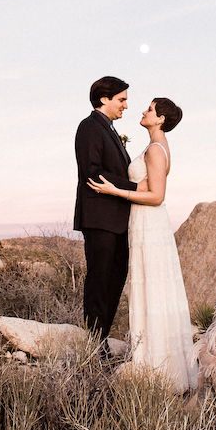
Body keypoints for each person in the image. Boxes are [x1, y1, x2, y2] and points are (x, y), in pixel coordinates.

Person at [87, 97, 197, 392]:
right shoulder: (156, 146)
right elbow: (148, 186)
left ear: (160, 119)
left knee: (152, 286)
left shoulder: (155, 149)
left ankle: (157, 366)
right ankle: (157, 359)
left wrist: (115, 190)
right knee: (151, 287)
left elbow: (157, 196)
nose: (144, 112)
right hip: (145, 221)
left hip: (149, 221)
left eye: (149, 109)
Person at [73, 76, 139, 352]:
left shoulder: (109, 130)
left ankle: (101, 338)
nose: (126, 105)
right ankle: (94, 343)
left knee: (116, 276)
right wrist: (135, 187)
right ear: (104, 99)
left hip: (118, 221)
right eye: (121, 99)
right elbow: (92, 171)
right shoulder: (89, 127)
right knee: (100, 278)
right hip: (99, 218)